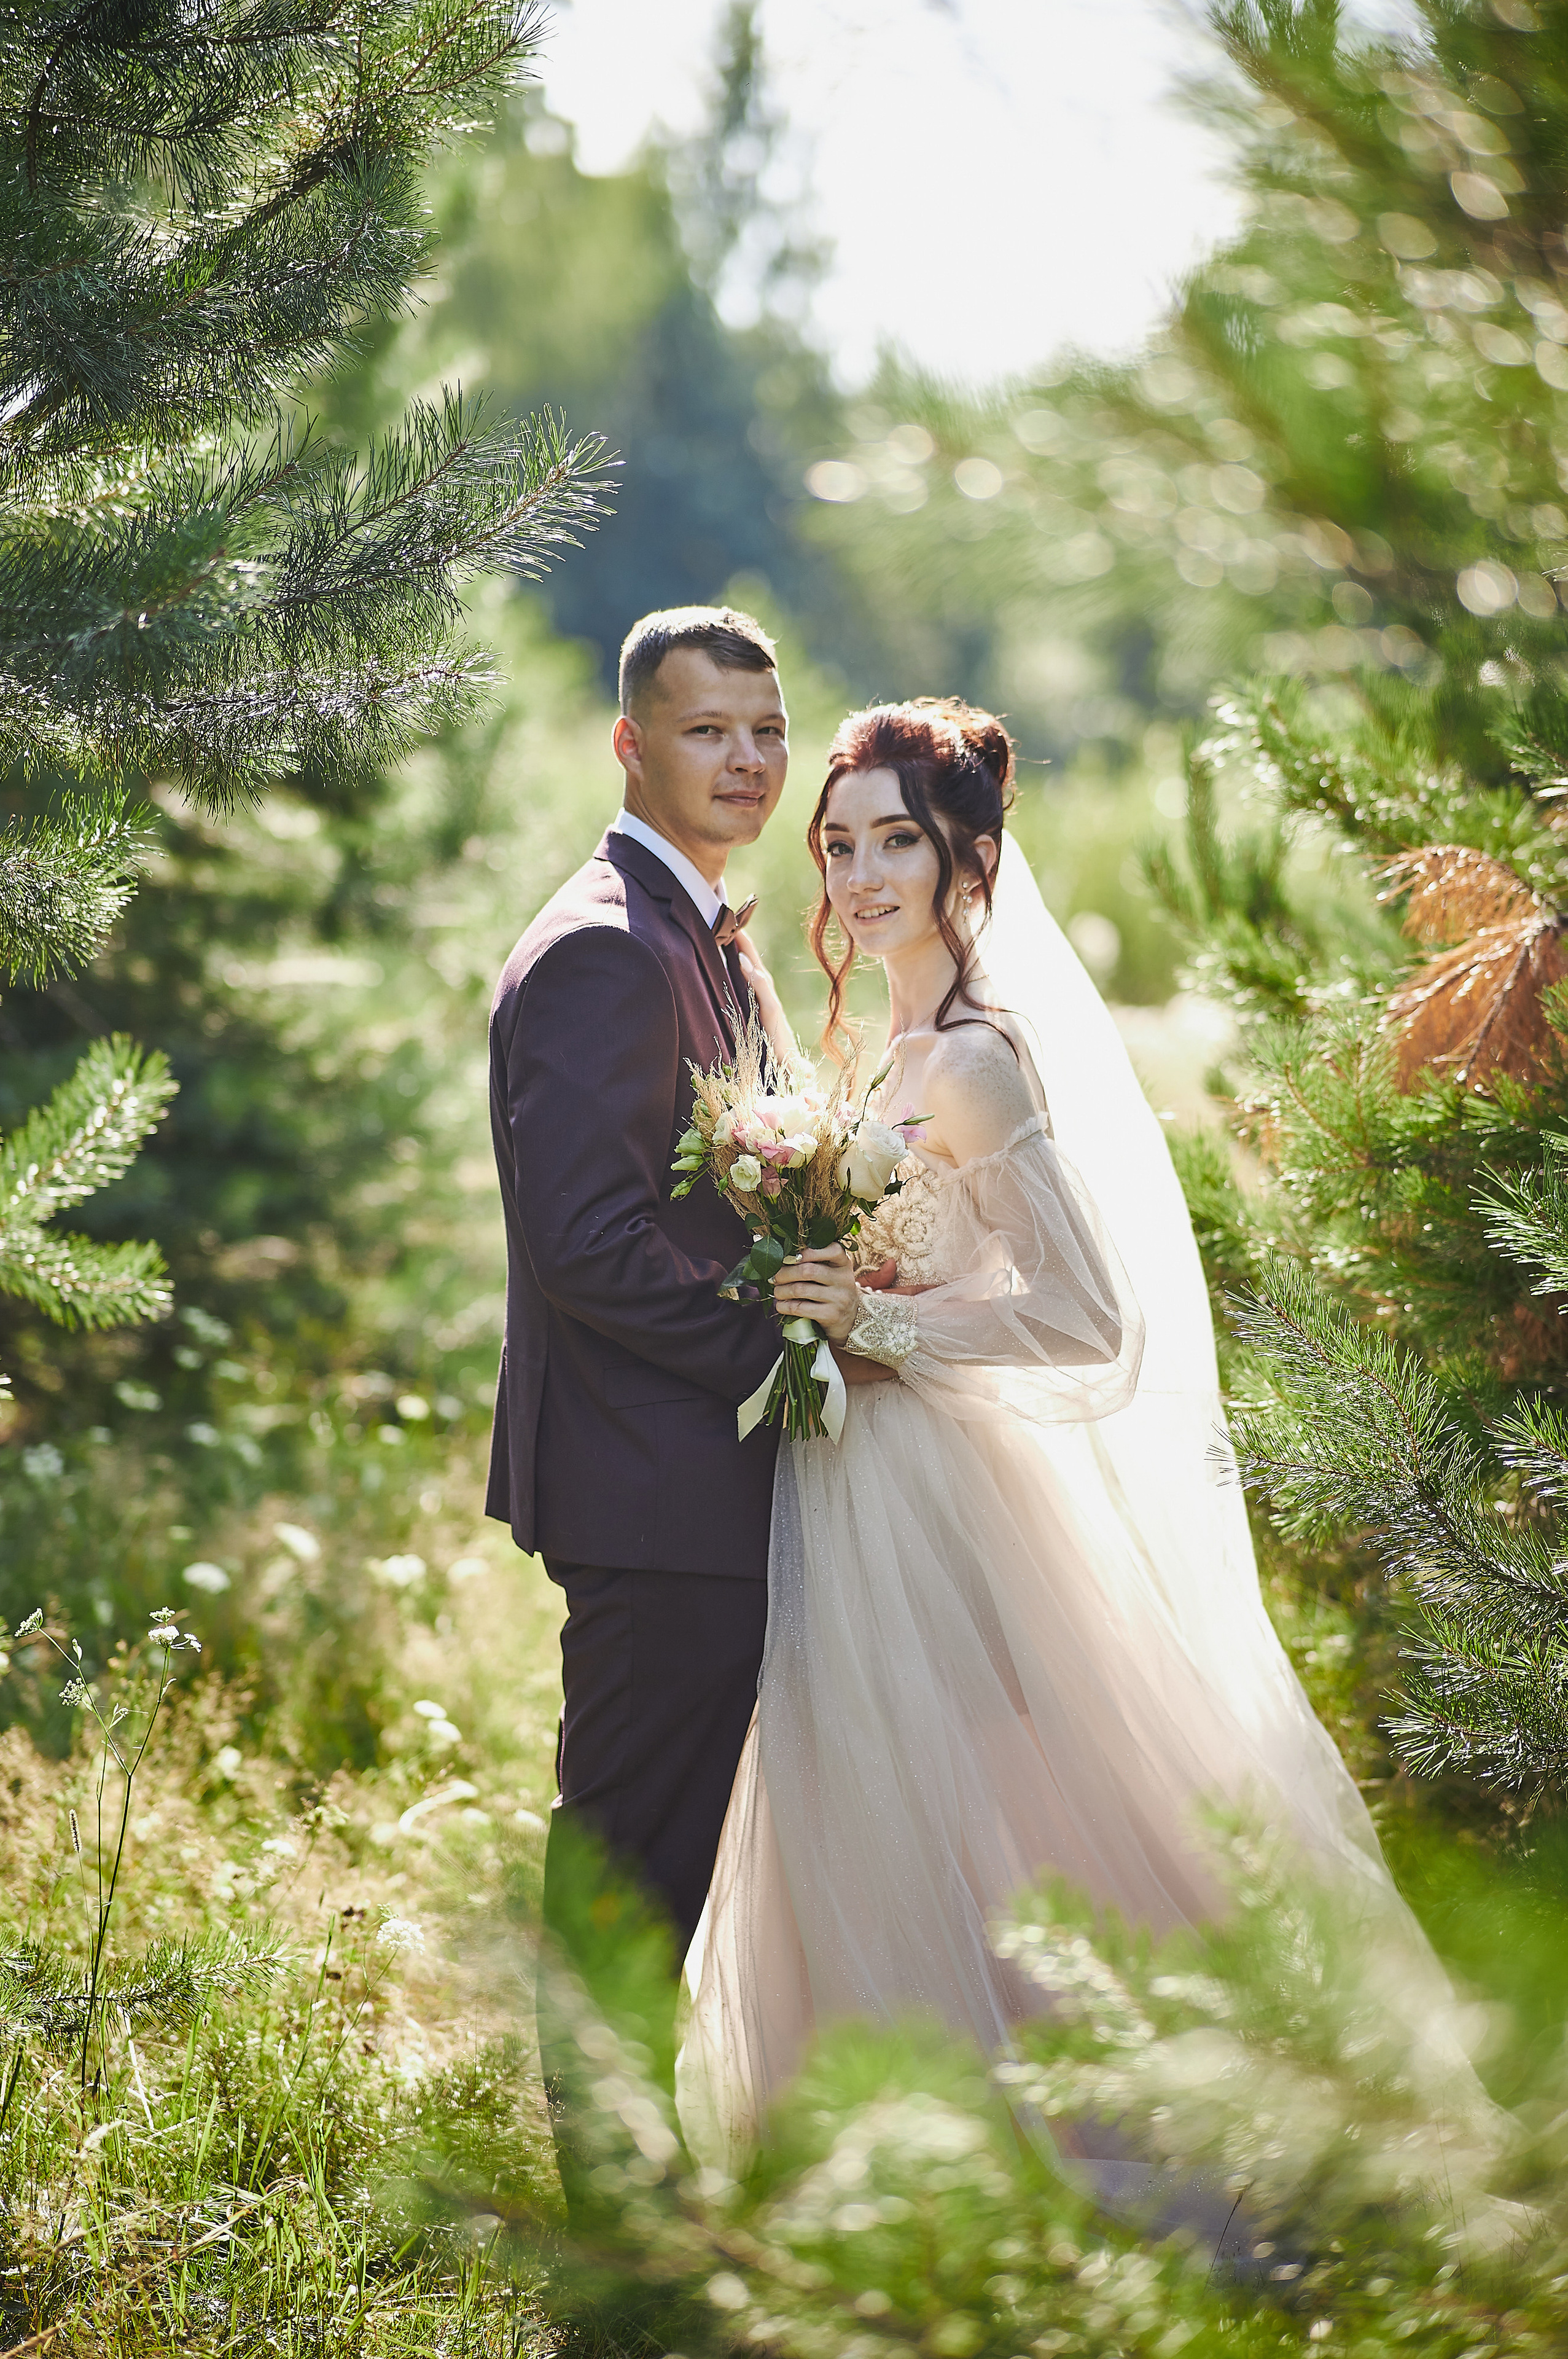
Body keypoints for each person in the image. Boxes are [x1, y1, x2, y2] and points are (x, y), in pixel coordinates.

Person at [677, 697, 1470, 2183]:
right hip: (855, 1486)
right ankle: (891, 2154)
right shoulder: (890, 1044)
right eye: (838, 842)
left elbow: (1089, 1320)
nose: (856, 875)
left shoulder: (977, 1057)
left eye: (893, 841)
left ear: (965, 854)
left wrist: (879, 1328)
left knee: (1033, 1815)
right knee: (883, 1807)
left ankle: (1157, 2138)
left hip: (948, 1484)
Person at [485, 604, 887, 2019]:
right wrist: (792, 1343)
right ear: (627, 744)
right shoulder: (606, 948)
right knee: (627, 1867)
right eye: (704, 731)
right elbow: (584, 1244)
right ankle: (608, 2214)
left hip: (702, 1485)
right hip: (656, 1488)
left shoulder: (702, 934)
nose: (745, 761)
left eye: (765, 732)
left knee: (680, 1863)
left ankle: (645, 2187)